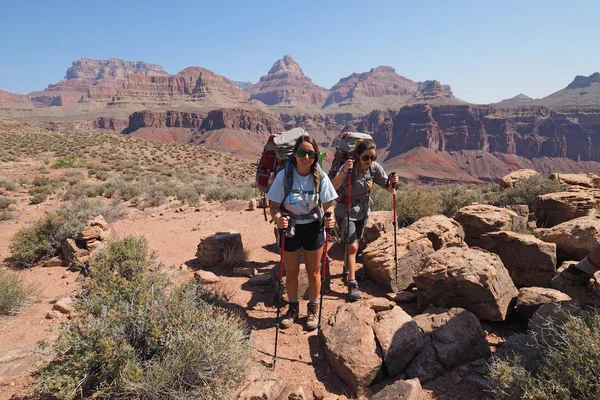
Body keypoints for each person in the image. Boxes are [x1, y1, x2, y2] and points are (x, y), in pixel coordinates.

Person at [267, 135, 337, 331]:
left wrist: (329, 216)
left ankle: (313, 309)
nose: (306, 157)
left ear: (315, 155)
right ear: (295, 154)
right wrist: (278, 218)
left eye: (310, 153)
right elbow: (273, 207)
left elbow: (328, 205)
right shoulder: (284, 175)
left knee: (314, 271)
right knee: (291, 271)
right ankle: (293, 308)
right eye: (301, 152)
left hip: (314, 226)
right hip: (290, 227)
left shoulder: (320, 176)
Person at [331, 138, 399, 301]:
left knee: (354, 242)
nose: (370, 161)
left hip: (363, 211)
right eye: (366, 157)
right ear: (358, 156)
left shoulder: (374, 168)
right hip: (345, 210)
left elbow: (389, 189)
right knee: (353, 246)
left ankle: (347, 270)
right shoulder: (348, 167)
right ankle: (352, 283)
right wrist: (343, 172)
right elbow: (332, 188)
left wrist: (394, 182)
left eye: (373, 157)